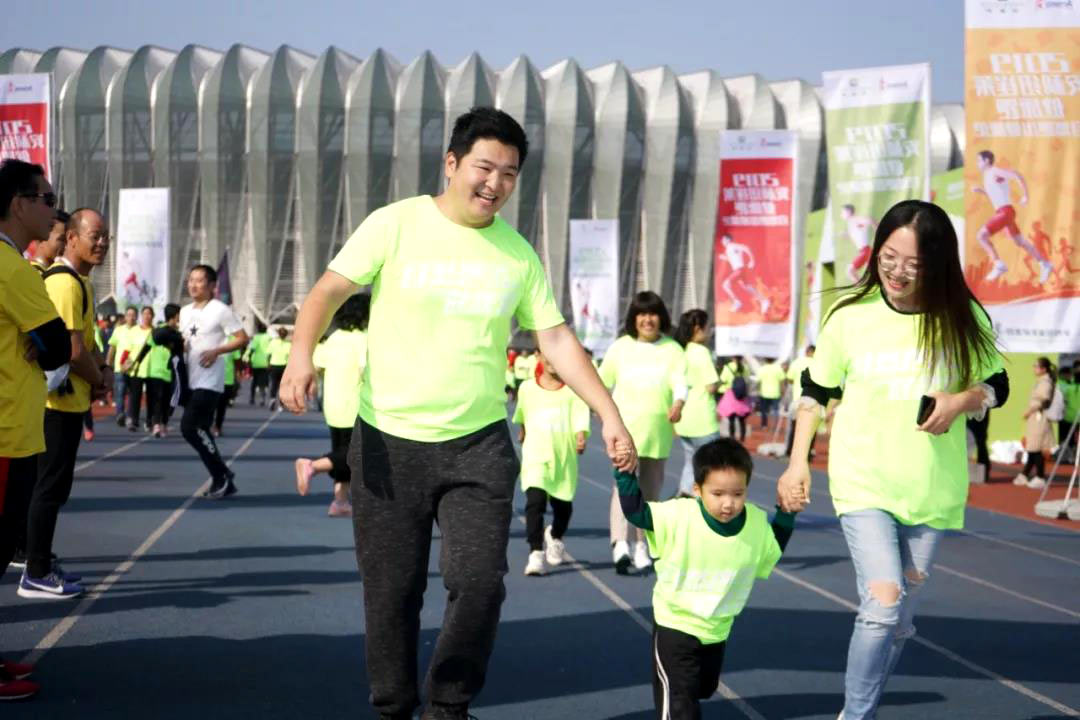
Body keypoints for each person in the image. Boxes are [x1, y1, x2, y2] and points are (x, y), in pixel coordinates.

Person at [278, 107, 636, 720]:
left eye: (510, 173)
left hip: (478, 446)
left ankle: (448, 706)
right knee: (392, 592)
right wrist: (299, 355)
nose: (495, 183)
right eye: (484, 167)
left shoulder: (517, 255)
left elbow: (554, 338)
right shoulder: (395, 223)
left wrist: (608, 412)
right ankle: (394, 706)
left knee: (480, 583)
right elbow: (329, 290)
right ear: (451, 163)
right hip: (388, 442)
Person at [777, 200, 1008, 720]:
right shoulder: (849, 317)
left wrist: (959, 402)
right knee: (882, 604)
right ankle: (855, 716)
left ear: (938, 264)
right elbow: (815, 391)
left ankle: (864, 709)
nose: (897, 273)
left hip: (932, 488)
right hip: (863, 479)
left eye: (913, 265)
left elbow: (996, 384)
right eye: (888, 258)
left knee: (899, 620)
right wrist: (797, 463)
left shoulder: (963, 317)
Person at [618, 438, 795, 719]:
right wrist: (625, 474)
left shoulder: (756, 524)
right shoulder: (679, 515)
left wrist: (787, 515)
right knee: (681, 706)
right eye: (718, 493)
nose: (728, 503)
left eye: (738, 493)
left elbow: (771, 550)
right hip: (675, 625)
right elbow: (637, 513)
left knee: (704, 688)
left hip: (716, 629)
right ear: (697, 490)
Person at [0, 159, 72, 699]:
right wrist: (42, 343)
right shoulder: (13, 269)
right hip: (7, 433)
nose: (53, 210)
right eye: (47, 199)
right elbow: (55, 346)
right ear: (18, 204)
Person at [22, 207, 112, 600]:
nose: (102, 242)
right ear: (72, 238)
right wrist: (99, 380)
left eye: (106, 236)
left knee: (54, 489)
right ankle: (35, 570)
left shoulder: (82, 283)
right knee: (47, 488)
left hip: (70, 402)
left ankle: (39, 561)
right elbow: (73, 351)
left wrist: (102, 370)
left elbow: (87, 343)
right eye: (95, 235)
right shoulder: (63, 284)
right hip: (52, 404)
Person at [599, 291, 687, 574]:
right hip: (625, 431)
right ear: (633, 318)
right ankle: (620, 544)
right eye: (642, 314)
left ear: (661, 318)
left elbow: (680, 382)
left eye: (653, 314)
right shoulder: (620, 348)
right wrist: (603, 413)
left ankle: (641, 546)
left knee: (650, 494)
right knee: (623, 487)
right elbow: (602, 383)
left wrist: (678, 403)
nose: (648, 320)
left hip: (657, 432)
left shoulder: (673, 349)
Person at [512, 350, 590, 576]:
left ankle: (555, 535)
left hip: (563, 459)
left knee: (563, 508)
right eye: (548, 354)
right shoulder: (527, 388)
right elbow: (523, 414)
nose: (553, 360)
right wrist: (523, 430)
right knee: (534, 503)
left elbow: (580, 417)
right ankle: (535, 553)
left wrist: (580, 436)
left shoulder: (573, 391)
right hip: (536, 456)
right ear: (538, 355)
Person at [294, 292, 370, 517]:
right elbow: (364, 369)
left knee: (343, 452)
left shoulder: (335, 337)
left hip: (333, 404)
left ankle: (340, 501)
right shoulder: (363, 339)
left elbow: (317, 364)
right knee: (358, 454)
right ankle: (313, 466)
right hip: (355, 405)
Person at [179, 265, 249, 499]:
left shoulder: (220, 310)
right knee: (199, 429)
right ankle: (223, 477)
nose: (193, 285)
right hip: (190, 380)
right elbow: (187, 341)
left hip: (210, 380)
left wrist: (217, 351)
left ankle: (221, 475)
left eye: (199, 280)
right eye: (191, 280)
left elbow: (242, 338)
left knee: (190, 427)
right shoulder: (185, 311)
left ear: (211, 286)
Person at [972, 150, 1051, 283]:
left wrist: (1025, 195)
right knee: (1020, 242)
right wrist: (982, 191)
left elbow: (1017, 175)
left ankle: (998, 264)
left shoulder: (994, 171)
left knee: (981, 236)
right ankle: (1045, 263)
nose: (977, 163)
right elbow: (996, 196)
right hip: (1004, 212)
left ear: (987, 161)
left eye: (979, 160)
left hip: (1005, 212)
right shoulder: (988, 176)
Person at [672, 309, 722, 498]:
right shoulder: (701, 352)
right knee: (710, 464)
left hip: (685, 418)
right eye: (707, 327)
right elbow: (710, 387)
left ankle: (685, 496)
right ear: (697, 328)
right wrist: (719, 381)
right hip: (703, 420)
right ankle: (700, 501)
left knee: (690, 461)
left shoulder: (681, 350)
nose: (709, 332)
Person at [130, 303, 187, 438]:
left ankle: (163, 422)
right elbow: (146, 347)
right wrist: (136, 363)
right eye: (179, 315)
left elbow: (181, 352)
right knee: (157, 398)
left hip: (170, 371)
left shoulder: (178, 333)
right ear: (175, 316)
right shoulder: (158, 331)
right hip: (156, 371)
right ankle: (156, 424)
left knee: (168, 399)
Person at [1015, 357, 1056, 490]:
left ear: (1043, 369)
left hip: (1039, 418)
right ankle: (1025, 474)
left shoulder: (1046, 382)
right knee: (1032, 447)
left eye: (1036, 366)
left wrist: (1029, 411)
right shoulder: (1041, 381)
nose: (1034, 368)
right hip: (1035, 418)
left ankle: (1040, 477)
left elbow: (1043, 401)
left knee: (1037, 448)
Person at [718, 234, 769, 315]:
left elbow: (746, 248)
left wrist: (752, 260)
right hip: (740, 270)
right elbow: (733, 259)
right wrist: (724, 257)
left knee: (725, 285)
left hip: (739, 270)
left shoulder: (732, 245)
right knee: (748, 287)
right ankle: (764, 301)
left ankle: (737, 302)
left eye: (723, 240)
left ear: (728, 240)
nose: (722, 242)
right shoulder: (729, 249)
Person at [123, 306, 155, 432]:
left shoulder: (155, 332)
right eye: (145, 313)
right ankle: (133, 420)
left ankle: (149, 421)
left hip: (152, 370)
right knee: (135, 396)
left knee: (151, 397)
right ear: (141, 316)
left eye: (149, 314)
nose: (147, 316)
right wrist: (124, 364)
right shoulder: (134, 331)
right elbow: (127, 349)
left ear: (152, 316)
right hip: (136, 369)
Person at [784, 345, 816, 459]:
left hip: (798, 399)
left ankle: (790, 451)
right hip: (814, 400)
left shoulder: (797, 362)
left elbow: (789, 379)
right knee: (811, 429)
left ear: (807, 352)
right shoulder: (819, 364)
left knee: (795, 427)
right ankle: (807, 454)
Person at [107, 306, 137, 426]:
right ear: (125, 317)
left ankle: (130, 415)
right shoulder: (118, 330)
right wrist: (108, 363)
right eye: (129, 315)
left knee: (133, 394)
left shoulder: (139, 330)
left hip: (135, 368)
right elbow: (112, 347)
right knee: (120, 392)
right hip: (120, 368)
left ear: (136, 317)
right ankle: (120, 414)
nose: (131, 317)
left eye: (133, 315)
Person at [717, 356, 751, 442]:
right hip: (741, 396)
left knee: (731, 419)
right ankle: (742, 438)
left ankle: (732, 438)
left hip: (730, 395)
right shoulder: (745, 367)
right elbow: (747, 379)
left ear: (733, 357)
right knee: (742, 419)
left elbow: (723, 379)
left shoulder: (728, 367)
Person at [213, 337, 241, 437]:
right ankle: (207, 426)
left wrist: (237, 375)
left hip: (227, 379)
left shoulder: (233, 340)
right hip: (212, 379)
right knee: (210, 405)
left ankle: (218, 427)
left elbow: (237, 360)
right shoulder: (211, 338)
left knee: (221, 406)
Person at [841, 205, 877, 283]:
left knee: (850, 271)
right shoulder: (851, 223)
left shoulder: (855, 219)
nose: (842, 214)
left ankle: (864, 287)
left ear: (848, 212)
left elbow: (870, 220)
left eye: (843, 212)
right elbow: (858, 233)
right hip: (864, 251)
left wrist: (878, 232)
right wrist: (847, 235)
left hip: (866, 251)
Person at [754, 357, 786, 430]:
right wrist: (783, 391)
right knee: (775, 410)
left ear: (765, 359)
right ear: (774, 359)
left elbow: (758, 382)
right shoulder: (778, 369)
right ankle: (775, 426)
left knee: (764, 410)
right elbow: (782, 382)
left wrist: (758, 390)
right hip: (775, 393)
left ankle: (764, 425)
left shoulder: (762, 369)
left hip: (764, 393)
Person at [245, 321, 271, 405]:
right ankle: (262, 399)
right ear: (266, 329)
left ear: (258, 329)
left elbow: (252, 349)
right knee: (263, 382)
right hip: (265, 363)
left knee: (254, 381)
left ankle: (252, 398)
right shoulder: (269, 338)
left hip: (255, 362)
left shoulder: (256, 338)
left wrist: (249, 359)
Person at [266, 326, 291, 411]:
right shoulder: (289, 344)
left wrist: (268, 364)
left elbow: (269, 354)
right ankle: (281, 403)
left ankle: (272, 399)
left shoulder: (273, 342)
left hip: (274, 365)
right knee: (283, 385)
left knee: (274, 384)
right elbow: (290, 357)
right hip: (284, 366)